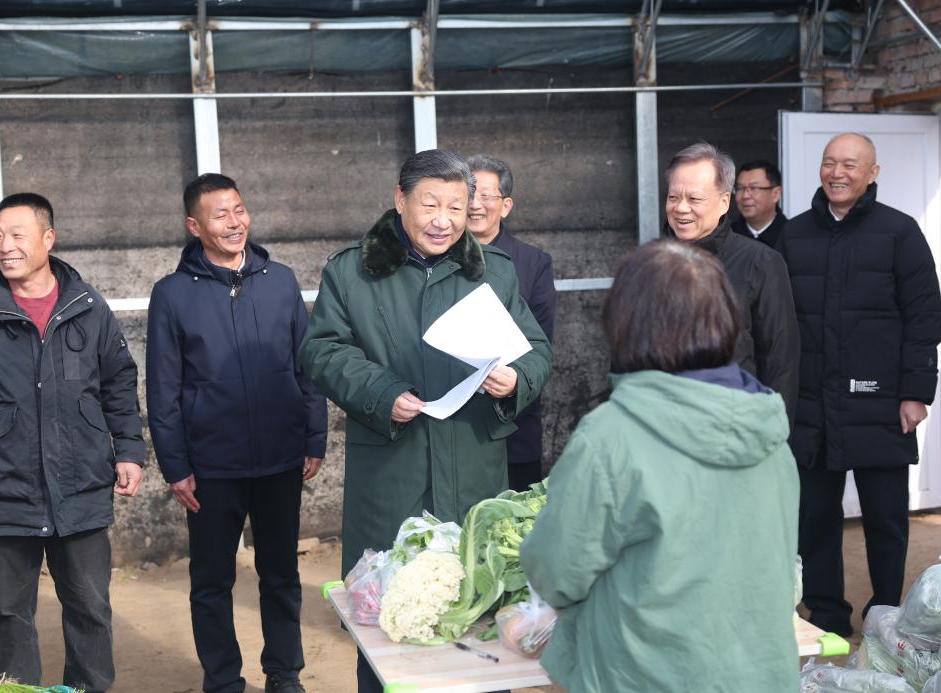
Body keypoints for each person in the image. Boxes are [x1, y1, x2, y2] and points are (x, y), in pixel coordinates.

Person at [299, 149, 552, 693]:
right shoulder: (351, 271)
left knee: (480, 621)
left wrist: (515, 378)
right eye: (430, 204)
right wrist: (381, 392)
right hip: (393, 473)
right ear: (400, 200)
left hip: (473, 472)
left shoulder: (493, 272)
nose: (443, 220)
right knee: (390, 618)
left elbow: (536, 350)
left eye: (456, 207)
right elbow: (322, 350)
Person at [520, 240, 800, 693]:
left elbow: (557, 572)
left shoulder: (611, 435)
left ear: (628, 322)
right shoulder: (767, 425)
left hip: (646, 676)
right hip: (762, 674)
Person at [0, 193, 145, 692]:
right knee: (8, 615)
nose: (4, 246)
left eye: (17, 235)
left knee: (90, 608)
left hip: (81, 485)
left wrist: (129, 449)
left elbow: (118, 382)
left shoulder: (88, 307)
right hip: (4, 487)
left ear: (48, 239)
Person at [146, 173, 327, 693]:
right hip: (212, 465)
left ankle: (284, 674)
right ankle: (223, 680)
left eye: (239, 210)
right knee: (211, 580)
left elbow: (307, 366)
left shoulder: (281, 281)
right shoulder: (172, 294)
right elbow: (163, 388)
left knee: (281, 574)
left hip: (280, 457)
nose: (234, 222)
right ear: (194, 226)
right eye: (220, 214)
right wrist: (176, 465)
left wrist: (314, 436)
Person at [779, 132, 941, 637]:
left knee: (886, 519)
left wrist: (916, 392)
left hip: (881, 402)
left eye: (850, 164)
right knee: (815, 517)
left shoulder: (899, 231)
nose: (837, 173)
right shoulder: (794, 234)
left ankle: (884, 613)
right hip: (811, 404)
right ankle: (827, 612)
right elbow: (776, 323)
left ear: (873, 172)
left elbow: (924, 316)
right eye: (829, 162)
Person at [665, 141, 800, 421]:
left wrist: (772, 431)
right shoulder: (652, 264)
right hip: (665, 423)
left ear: (724, 202)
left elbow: (780, 360)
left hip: (734, 424)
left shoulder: (760, 262)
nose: (681, 208)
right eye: (673, 197)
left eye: (694, 199)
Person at [466, 154, 557, 491]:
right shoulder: (436, 259)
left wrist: (517, 378)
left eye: (485, 196)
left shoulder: (533, 263)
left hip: (513, 421)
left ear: (506, 206)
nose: (475, 204)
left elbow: (542, 343)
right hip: (452, 426)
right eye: (468, 194)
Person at [731, 159, 787, 248]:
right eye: (740, 188)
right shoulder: (728, 237)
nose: (745, 196)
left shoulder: (791, 236)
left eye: (754, 188)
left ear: (775, 194)